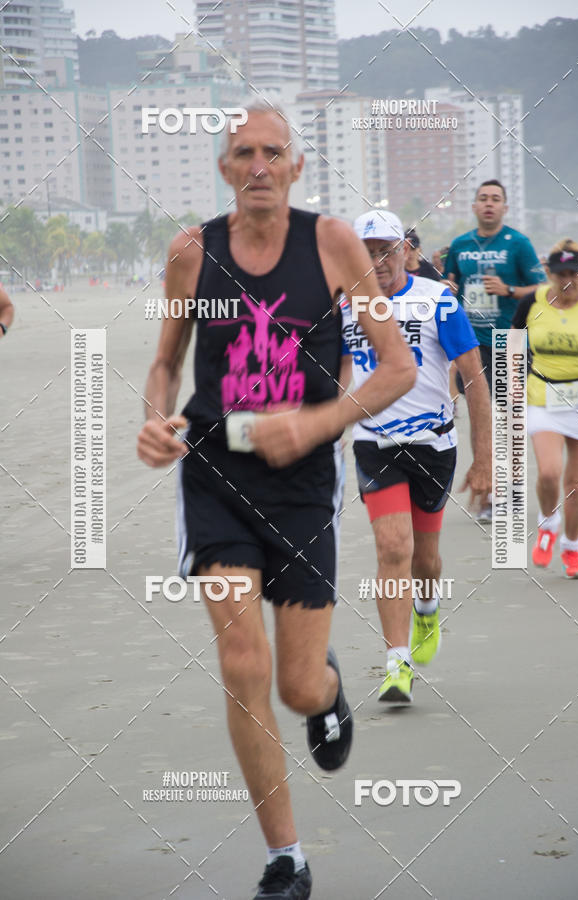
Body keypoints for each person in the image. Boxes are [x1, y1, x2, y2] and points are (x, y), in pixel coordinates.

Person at [137, 101, 416, 900]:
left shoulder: (330, 243)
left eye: (273, 152)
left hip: (301, 486)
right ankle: (286, 859)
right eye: (242, 153)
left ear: (296, 166)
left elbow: (394, 367)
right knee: (241, 661)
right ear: (224, 169)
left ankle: (325, 689)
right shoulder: (191, 252)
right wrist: (157, 418)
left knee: (295, 686)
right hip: (216, 473)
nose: (258, 165)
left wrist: (319, 424)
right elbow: (166, 360)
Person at [341, 210, 491, 703]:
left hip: (433, 445)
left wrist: (483, 459)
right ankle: (396, 664)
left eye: (385, 249)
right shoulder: (346, 305)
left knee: (425, 560)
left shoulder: (437, 301)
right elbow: (337, 375)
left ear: (406, 250)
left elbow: (473, 378)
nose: (377, 261)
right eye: (366, 252)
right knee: (392, 548)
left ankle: (428, 607)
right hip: (373, 442)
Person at [444, 179, 545, 521]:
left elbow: (542, 291)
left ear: (504, 207)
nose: (489, 204)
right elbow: (449, 286)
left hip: (510, 340)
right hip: (471, 344)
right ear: (474, 207)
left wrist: (508, 289)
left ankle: (512, 491)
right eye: (483, 199)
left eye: (495, 199)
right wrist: (449, 287)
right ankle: (487, 494)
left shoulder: (518, 244)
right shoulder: (459, 245)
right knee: (481, 418)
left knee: (510, 420)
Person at [512, 238, 578, 578]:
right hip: (543, 395)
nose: (567, 280)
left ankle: (572, 550)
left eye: (574, 273)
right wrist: (514, 386)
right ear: (548, 272)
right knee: (548, 473)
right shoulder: (531, 303)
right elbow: (512, 343)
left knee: (576, 484)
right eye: (560, 273)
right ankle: (548, 523)